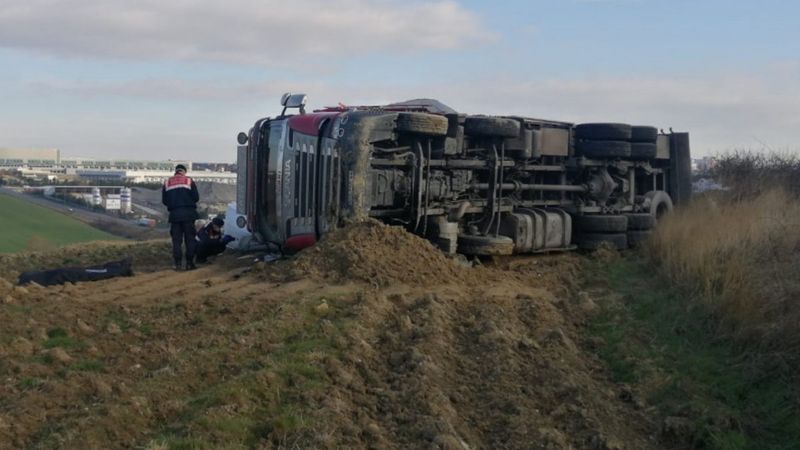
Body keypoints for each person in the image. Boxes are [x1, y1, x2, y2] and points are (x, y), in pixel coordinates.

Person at [162, 164, 199, 270]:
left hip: (175, 215)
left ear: (176, 171)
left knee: (176, 241)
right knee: (190, 239)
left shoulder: (167, 183)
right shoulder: (189, 181)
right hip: (189, 214)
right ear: (184, 171)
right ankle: (189, 263)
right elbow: (196, 198)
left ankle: (177, 264)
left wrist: (174, 205)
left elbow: (164, 201)